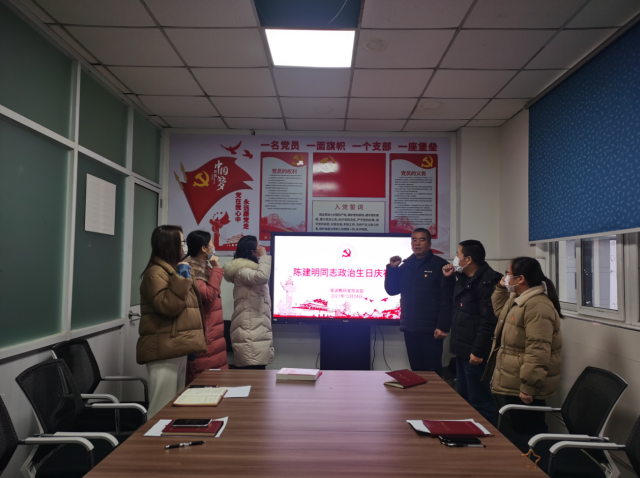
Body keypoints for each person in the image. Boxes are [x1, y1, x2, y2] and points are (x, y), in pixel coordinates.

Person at [483, 257, 563, 436]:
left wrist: (529, 386)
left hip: (523, 385)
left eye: (508, 273)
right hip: (512, 378)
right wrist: (500, 289)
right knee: (511, 431)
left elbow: (538, 350)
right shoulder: (519, 299)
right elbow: (500, 312)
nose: (505, 277)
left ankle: (533, 456)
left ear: (521, 279)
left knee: (525, 434)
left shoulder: (537, 306)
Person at [136, 225, 207, 417]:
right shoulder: (155, 273)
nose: (184, 246)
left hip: (177, 346)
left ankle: (166, 436)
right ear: (170, 244)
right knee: (160, 408)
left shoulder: (172, 270)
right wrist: (182, 278)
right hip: (164, 348)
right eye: (182, 242)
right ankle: (152, 438)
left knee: (173, 406)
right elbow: (169, 307)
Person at [443, 240, 502, 426]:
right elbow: (451, 303)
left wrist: (478, 351)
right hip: (462, 349)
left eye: (458, 254)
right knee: (464, 397)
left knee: (480, 400)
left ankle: (489, 438)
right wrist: (448, 278)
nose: (455, 258)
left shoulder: (489, 282)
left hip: (476, 352)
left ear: (468, 259)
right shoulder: (463, 279)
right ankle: (468, 434)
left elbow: (489, 321)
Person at [385, 228, 453, 376]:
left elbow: (447, 299)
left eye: (421, 240)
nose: (417, 243)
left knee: (432, 370)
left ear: (429, 243)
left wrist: (443, 326)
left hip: (431, 329)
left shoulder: (440, 265)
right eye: (414, 240)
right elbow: (392, 290)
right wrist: (392, 269)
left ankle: (434, 393)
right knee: (416, 370)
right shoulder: (405, 266)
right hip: (410, 326)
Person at [223, 235, 274, 369]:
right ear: (253, 251)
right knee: (252, 373)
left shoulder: (249, 270)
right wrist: (264, 257)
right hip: (249, 330)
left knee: (258, 373)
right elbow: (262, 277)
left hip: (255, 328)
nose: (262, 248)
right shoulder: (242, 271)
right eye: (259, 246)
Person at [183, 230, 228, 383]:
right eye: (211, 243)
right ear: (203, 248)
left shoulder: (204, 267)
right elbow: (209, 296)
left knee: (217, 381)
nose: (213, 247)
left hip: (212, 331)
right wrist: (216, 268)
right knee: (203, 381)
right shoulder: (192, 269)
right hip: (205, 334)